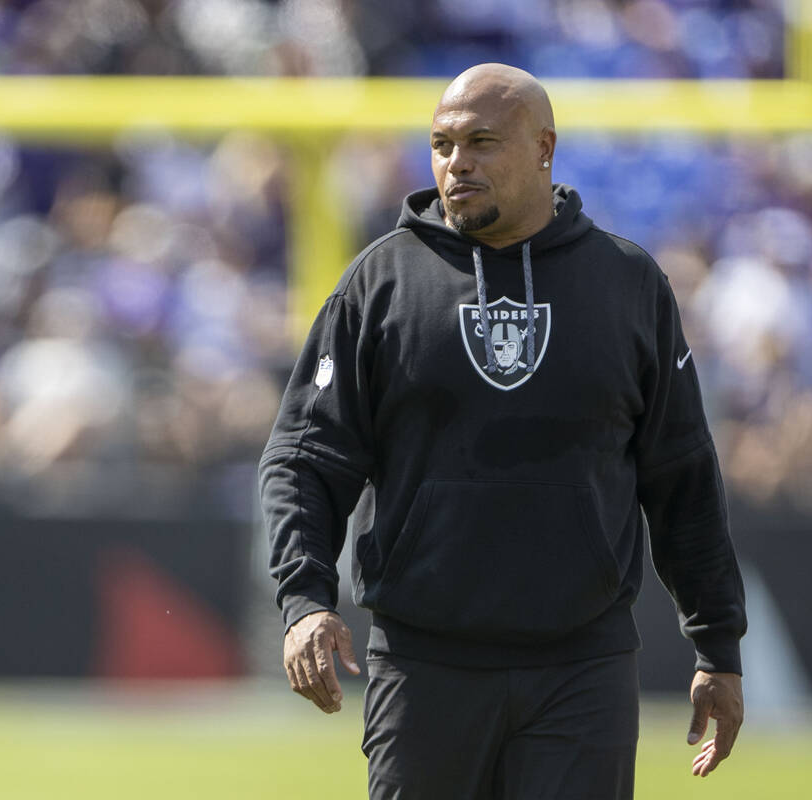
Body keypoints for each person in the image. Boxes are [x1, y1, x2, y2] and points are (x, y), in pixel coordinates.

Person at [259, 63, 747, 799]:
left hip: (582, 664)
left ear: (544, 148)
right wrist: (305, 601)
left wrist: (717, 646)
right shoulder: (380, 282)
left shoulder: (627, 283)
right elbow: (304, 458)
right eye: (442, 144)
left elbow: (681, 475)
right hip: (425, 664)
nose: (458, 164)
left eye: (482, 142)